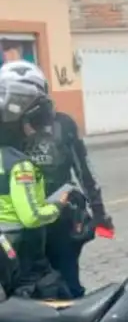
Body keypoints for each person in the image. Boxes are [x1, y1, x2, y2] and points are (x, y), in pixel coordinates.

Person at [0, 60, 110, 298]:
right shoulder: (7, 130)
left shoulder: (63, 124)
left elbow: (84, 169)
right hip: (23, 231)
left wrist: (99, 211)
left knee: (66, 282)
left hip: (61, 220)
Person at [0, 78, 72, 299]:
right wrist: (58, 206)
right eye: (31, 122)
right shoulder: (20, 165)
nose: (34, 129)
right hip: (24, 253)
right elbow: (31, 216)